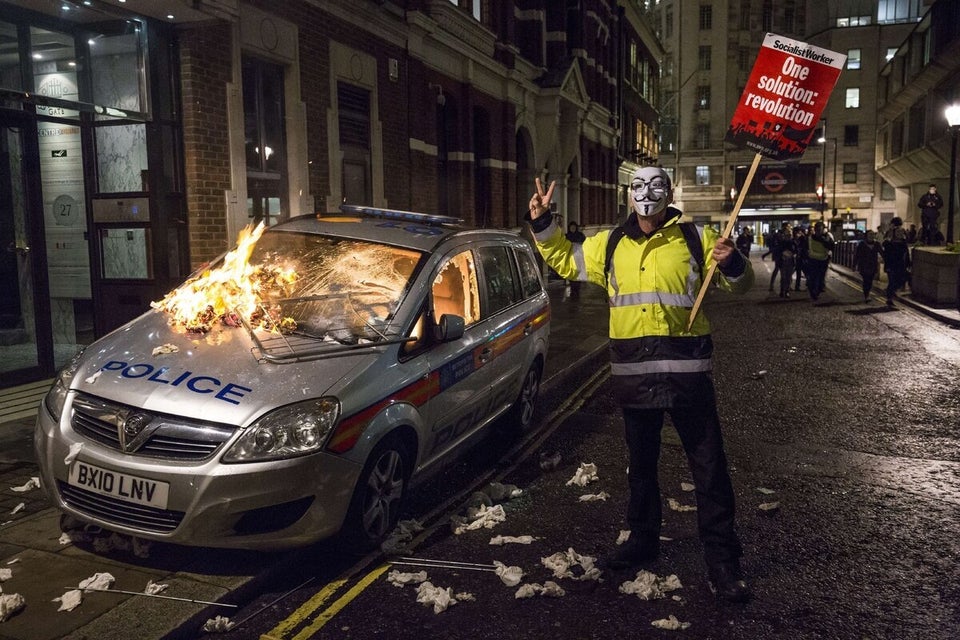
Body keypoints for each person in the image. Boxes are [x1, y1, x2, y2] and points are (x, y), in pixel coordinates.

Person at [526, 168, 754, 603]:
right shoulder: (610, 244)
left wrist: (734, 262)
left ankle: (723, 562)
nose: (647, 194)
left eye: (656, 186)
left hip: (688, 376)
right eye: (639, 186)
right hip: (635, 376)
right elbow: (563, 259)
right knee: (641, 469)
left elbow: (739, 285)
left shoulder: (696, 238)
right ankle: (642, 539)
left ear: (669, 192)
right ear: (629, 194)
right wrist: (542, 223)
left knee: (709, 470)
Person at [883, 216, 911, 307]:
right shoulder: (889, 243)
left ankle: (891, 292)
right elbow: (886, 252)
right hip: (891, 264)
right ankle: (889, 298)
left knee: (901, 279)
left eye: (901, 231)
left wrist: (908, 263)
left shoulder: (902, 243)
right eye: (898, 231)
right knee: (892, 281)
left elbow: (906, 253)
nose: (900, 232)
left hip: (900, 264)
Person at [805, 221, 835, 301]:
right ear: (815, 229)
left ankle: (816, 292)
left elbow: (832, 247)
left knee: (820, 278)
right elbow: (805, 248)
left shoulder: (826, 237)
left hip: (823, 261)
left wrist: (825, 240)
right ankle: (813, 292)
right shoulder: (810, 237)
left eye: (820, 230)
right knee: (812, 278)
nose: (819, 231)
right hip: (813, 260)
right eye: (817, 229)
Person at [853, 230, 882, 302]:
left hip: (873, 265)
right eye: (870, 234)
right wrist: (854, 265)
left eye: (872, 234)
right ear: (866, 235)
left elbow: (882, 253)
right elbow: (857, 255)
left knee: (870, 281)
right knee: (866, 280)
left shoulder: (877, 244)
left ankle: (867, 294)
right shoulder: (862, 244)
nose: (871, 236)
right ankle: (867, 295)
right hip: (863, 265)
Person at [565, 222, 587, 297]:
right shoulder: (567, 236)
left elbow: (585, 243)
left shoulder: (580, 235)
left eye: (574, 227)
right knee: (571, 272)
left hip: (578, 257)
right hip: (570, 257)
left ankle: (577, 288)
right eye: (571, 227)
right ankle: (572, 288)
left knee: (578, 272)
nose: (573, 229)